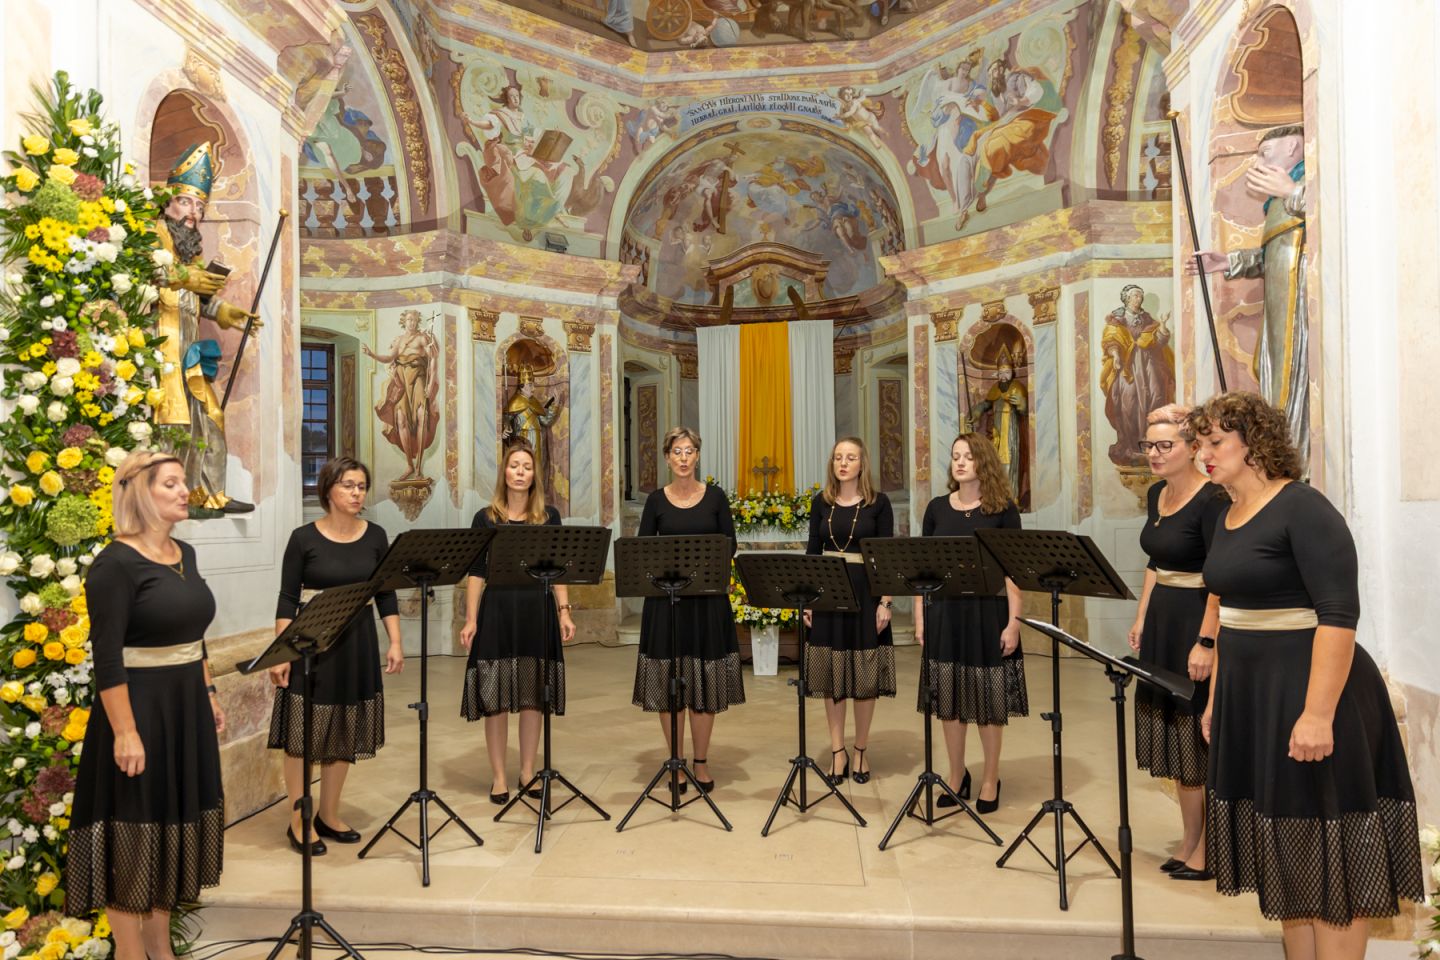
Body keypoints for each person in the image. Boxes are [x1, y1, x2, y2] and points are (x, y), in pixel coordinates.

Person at [1193, 392, 1422, 958]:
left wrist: (1318, 714)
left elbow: (1339, 616)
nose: (1204, 454)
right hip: (1255, 697)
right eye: (1199, 443)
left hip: (1315, 693)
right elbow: (1230, 617)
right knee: (1287, 849)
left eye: (1215, 441)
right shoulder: (1225, 514)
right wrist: (1218, 700)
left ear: (1255, 443)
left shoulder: (1303, 508)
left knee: (1329, 851)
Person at [65, 451, 226, 960]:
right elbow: (108, 658)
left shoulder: (185, 554)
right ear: (141, 493)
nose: (184, 492)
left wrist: (208, 692)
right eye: (171, 483)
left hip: (185, 707)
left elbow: (194, 636)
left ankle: (161, 949)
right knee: (132, 837)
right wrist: (125, 732)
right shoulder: (113, 565)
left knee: (167, 832)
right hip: (138, 711)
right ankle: (131, 953)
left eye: (183, 482)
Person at [268, 457, 403, 854]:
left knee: (343, 728)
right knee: (302, 734)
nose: (356, 493)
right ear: (328, 490)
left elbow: (385, 593)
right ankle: (299, 820)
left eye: (361, 486)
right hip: (311, 642)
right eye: (348, 485)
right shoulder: (303, 538)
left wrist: (395, 641)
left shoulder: (375, 535)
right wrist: (281, 653)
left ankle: (328, 813)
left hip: (357, 641)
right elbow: (287, 599)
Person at [1126, 404, 1225, 881]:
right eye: (1149, 445)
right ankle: (1189, 839)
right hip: (1163, 618)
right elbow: (1155, 563)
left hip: (1196, 618)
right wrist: (1142, 617)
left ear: (1192, 448)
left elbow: (1220, 576)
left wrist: (1206, 641)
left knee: (1195, 735)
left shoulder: (1212, 500)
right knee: (1178, 742)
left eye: (1165, 445)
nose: (1155, 453)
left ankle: (1208, 846)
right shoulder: (1156, 494)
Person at [459, 441, 576, 804]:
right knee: (495, 698)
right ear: (505, 472)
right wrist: (470, 619)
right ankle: (498, 777)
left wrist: (564, 610)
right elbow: (476, 572)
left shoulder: (549, 517)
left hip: (536, 609)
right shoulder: (485, 518)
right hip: (497, 609)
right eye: (514, 465)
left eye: (527, 466)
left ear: (534, 474)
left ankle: (527, 771)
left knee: (532, 696)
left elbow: (558, 569)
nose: (520, 472)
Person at [915, 433, 1026, 813]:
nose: (960, 462)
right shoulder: (936, 508)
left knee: (988, 701)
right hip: (945, 612)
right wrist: (921, 618)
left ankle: (991, 777)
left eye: (968, 456)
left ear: (984, 462)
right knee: (949, 699)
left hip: (988, 612)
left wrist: (1013, 623)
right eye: (955, 456)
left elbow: (1014, 572)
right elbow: (923, 570)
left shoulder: (1003, 510)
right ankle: (956, 773)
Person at [632, 427, 745, 792]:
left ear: (697, 456)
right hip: (666, 603)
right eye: (677, 451)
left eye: (689, 451)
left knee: (704, 682)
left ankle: (701, 760)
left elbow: (729, 544)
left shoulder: (715, 497)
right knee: (669, 682)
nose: (683, 458)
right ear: (667, 458)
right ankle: (676, 761)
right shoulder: (655, 501)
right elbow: (643, 549)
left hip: (706, 601)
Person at [1191, 126, 1310, 466]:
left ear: (1293, 146)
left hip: (1302, 303)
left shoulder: (1313, 182)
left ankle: (1295, 461)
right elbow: (1274, 255)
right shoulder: (1276, 203)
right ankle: (1282, 457)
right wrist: (1229, 262)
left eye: (1264, 153)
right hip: (1279, 304)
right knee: (1273, 374)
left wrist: (1294, 192)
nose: (1256, 163)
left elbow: (1336, 219)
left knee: (1295, 377)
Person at [152, 142, 258, 514]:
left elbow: (197, 297)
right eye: (185, 202)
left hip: (188, 350)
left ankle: (209, 495)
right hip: (159, 350)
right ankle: (169, 499)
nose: (193, 213)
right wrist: (185, 278)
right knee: (174, 425)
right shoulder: (151, 235)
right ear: (167, 202)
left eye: (199, 206)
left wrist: (224, 311)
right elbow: (150, 274)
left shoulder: (190, 250)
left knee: (211, 416)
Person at [803, 437, 895, 784]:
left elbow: (886, 557)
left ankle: (860, 750)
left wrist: (885, 602)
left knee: (864, 676)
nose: (843, 463)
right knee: (832, 675)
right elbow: (813, 553)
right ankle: (837, 751)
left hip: (865, 594)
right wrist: (809, 601)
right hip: (828, 593)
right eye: (838, 457)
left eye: (850, 457)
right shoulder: (821, 502)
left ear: (862, 464)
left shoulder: (878, 503)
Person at [1100, 284, 1175, 465]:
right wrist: (1116, 356)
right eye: (1134, 296)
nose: (1138, 299)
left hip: (1149, 367)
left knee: (1156, 397)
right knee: (1128, 404)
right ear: (1126, 298)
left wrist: (1163, 325)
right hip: (1127, 367)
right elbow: (1110, 341)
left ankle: (1152, 442)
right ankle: (1132, 446)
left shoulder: (1148, 320)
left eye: (1140, 296)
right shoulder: (1116, 321)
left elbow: (1160, 342)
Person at [364, 310, 439, 482]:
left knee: (422, 417)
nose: (412, 322)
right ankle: (409, 465)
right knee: (401, 420)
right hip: (401, 380)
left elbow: (433, 360)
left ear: (418, 322)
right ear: (404, 321)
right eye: (409, 319)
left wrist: (430, 384)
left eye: (415, 320)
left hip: (418, 377)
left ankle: (419, 467)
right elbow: (388, 357)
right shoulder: (398, 340)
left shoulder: (422, 338)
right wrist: (371, 354)